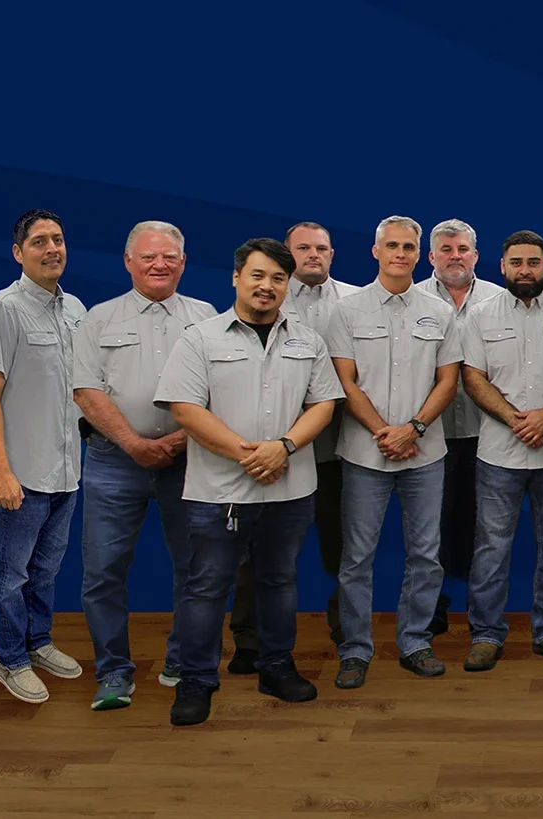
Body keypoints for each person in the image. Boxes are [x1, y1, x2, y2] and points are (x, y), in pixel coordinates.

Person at [153, 237, 344, 726]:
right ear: (236, 277)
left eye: (278, 278)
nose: (267, 286)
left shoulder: (307, 339)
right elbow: (184, 406)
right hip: (219, 491)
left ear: (288, 285)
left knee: (279, 581)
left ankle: (275, 668)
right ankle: (196, 682)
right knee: (206, 588)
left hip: (290, 488)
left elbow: (323, 403)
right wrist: (246, 454)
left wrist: (283, 448)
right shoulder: (201, 338)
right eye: (258, 275)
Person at [74, 220, 217, 709]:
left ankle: (183, 659)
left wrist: (177, 440)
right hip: (114, 461)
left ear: (183, 263)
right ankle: (113, 673)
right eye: (149, 257)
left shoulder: (206, 318)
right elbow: (86, 391)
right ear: (129, 262)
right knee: (103, 571)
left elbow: (219, 391)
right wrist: (133, 442)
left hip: (189, 461)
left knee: (195, 568)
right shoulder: (98, 319)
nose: (160, 265)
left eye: (170, 257)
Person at [327, 215, 464, 687]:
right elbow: (344, 381)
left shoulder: (440, 311)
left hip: (425, 454)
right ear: (376, 251)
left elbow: (449, 379)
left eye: (409, 247)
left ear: (419, 253)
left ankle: (415, 642)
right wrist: (386, 430)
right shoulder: (346, 311)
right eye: (392, 246)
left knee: (426, 554)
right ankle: (355, 649)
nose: (400, 254)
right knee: (357, 557)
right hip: (365, 453)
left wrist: (415, 428)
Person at [458, 230, 543, 670]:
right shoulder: (480, 315)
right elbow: (472, 378)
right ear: (503, 267)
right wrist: (516, 419)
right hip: (498, 452)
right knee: (491, 546)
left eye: (534, 262)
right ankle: (487, 635)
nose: (525, 270)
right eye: (517, 263)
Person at [0, 209, 88, 704]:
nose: (52, 248)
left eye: (58, 239)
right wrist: (1, 468)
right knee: (12, 573)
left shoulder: (76, 310)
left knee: (46, 570)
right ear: (19, 253)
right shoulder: (4, 308)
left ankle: (38, 642)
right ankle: (10, 658)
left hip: (66, 471)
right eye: (39, 241)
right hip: (23, 473)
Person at [232, 221, 357, 664]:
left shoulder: (356, 301)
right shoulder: (265, 300)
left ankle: (347, 631)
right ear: (285, 256)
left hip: (339, 448)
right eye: (302, 248)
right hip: (270, 448)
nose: (313, 255)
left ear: (332, 254)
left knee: (345, 547)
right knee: (257, 550)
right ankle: (248, 640)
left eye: (321, 248)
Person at [415, 219, 505, 636]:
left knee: (481, 528)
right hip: (427, 436)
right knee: (426, 529)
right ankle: (429, 609)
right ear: (431, 257)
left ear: (475, 255)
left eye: (463, 249)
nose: (455, 256)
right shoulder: (411, 300)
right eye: (446, 249)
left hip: (486, 434)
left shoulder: (499, 300)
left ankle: (481, 610)